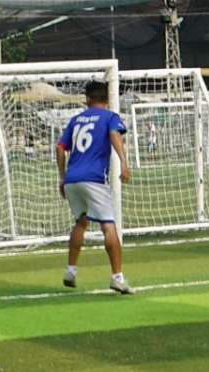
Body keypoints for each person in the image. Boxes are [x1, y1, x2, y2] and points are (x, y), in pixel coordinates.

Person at [56, 80, 133, 294]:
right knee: (109, 226)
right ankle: (117, 277)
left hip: (72, 179)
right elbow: (115, 134)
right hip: (94, 179)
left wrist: (62, 178)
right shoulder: (110, 117)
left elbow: (60, 148)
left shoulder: (75, 120)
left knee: (81, 222)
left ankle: (70, 271)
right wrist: (124, 163)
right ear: (107, 99)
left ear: (87, 99)